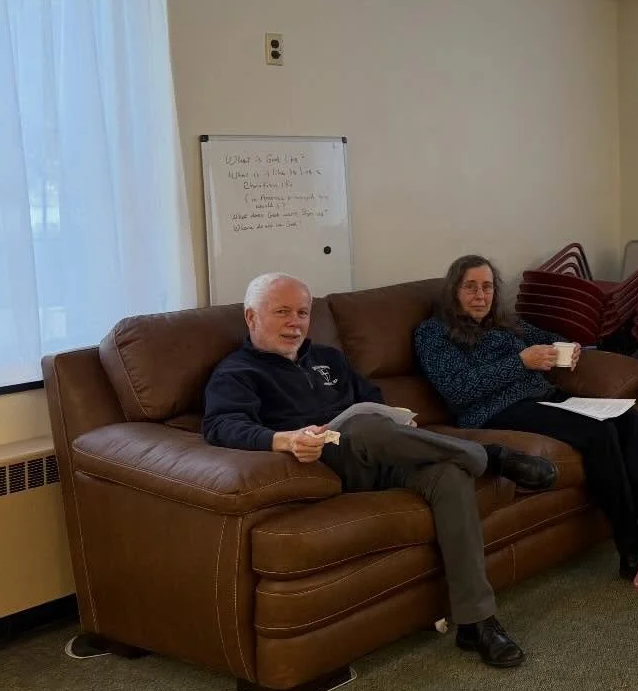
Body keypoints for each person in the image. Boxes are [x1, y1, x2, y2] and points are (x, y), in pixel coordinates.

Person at [203, 272, 558, 669]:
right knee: (363, 428)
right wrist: (283, 439)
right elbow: (221, 426)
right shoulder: (237, 372)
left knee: (449, 475)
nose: (295, 322)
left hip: (385, 456)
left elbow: (370, 397)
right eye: (282, 312)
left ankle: (477, 622)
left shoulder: (328, 358)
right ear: (251, 317)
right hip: (329, 463)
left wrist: (399, 421)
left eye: (302, 312)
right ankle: (489, 456)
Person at [414, 254, 638, 580]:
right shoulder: (433, 334)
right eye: (470, 287)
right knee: (598, 433)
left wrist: (566, 349)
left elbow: (545, 337)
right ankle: (633, 549)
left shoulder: (502, 322)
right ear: (453, 291)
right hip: (494, 411)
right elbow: (458, 389)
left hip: (543, 398)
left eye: (487, 288)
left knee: (628, 420)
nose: (480, 296)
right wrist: (521, 362)